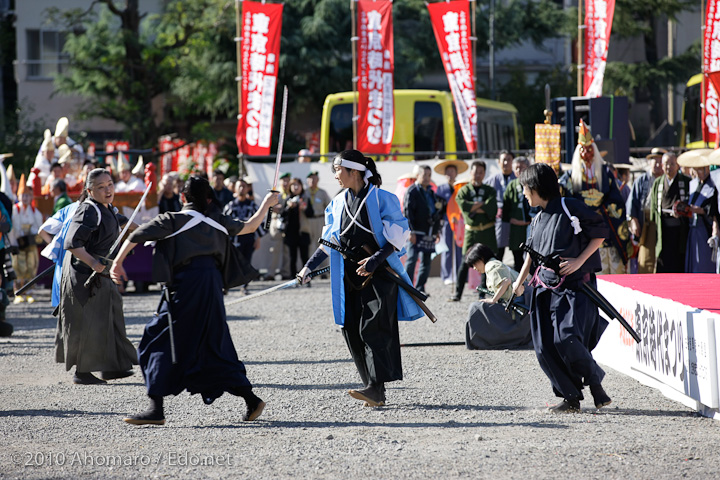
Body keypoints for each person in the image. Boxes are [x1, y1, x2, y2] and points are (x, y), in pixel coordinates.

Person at [110, 176, 279, 425]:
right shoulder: (218, 221)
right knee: (214, 342)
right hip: (212, 287)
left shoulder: (172, 219)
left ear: (182, 197)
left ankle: (156, 409)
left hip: (187, 286)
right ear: (208, 199)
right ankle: (250, 399)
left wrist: (117, 262)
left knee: (157, 338)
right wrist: (266, 204)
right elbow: (251, 226)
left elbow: (135, 235)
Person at [297, 149, 423, 407]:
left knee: (373, 327)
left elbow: (399, 234)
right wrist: (308, 267)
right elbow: (328, 241)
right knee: (351, 327)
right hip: (349, 277)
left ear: (354, 171)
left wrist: (376, 260)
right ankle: (372, 388)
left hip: (379, 275)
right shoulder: (337, 203)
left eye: (338, 170)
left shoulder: (381, 199)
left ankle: (375, 388)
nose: (335, 175)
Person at [511, 163, 611, 413]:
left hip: (573, 288)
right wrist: (519, 283)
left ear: (535, 188)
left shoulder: (570, 207)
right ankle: (571, 398)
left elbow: (600, 232)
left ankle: (594, 379)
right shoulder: (537, 219)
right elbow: (531, 257)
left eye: (525, 188)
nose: (523, 193)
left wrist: (580, 261)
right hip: (544, 288)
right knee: (544, 345)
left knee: (566, 338)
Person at [56, 168, 138, 385]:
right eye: (101, 187)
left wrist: (153, 231)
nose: (107, 190)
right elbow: (72, 243)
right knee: (90, 322)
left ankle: (112, 367)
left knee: (111, 315)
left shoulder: (108, 208)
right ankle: (82, 372)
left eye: (110, 184)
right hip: (84, 274)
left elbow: (125, 224)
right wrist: (93, 262)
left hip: (101, 273)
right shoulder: (88, 210)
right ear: (90, 191)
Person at [559, 119, 630, 274]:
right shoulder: (571, 176)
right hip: (583, 227)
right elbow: (565, 195)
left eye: (589, 149)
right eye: (582, 150)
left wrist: (601, 210)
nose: (586, 154)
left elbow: (615, 199)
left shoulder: (604, 172)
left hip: (605, 223)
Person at [464, 243, 532, 350]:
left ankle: (482, 339)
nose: (474, 268)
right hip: (516, 301)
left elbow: (506, 282)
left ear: (481, 258)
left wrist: (493, 300)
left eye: (474, 264)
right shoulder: (491, 265)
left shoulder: (492, 266)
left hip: (520, 304)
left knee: (476, 308)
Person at [449, 160, 497, 302]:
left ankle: (482, 293)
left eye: (481, 172)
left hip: (487, 231)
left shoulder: (490, 190)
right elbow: (463, 206)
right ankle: (458, 293)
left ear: (484, 174)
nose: (477, 175)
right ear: (471, 172)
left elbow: (492, 207)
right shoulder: (464, 190)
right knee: (465, 263)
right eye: (475, 172)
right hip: (471, 232)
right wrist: (481, 205)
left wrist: (473, 207)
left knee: (487, 262)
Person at [403, 164, 443, 296]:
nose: (427, 178)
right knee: (412, 259)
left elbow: (436, 212)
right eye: (424, 175)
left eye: (429, 175)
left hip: (429, 231)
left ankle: (420, 288)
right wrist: (411, 231)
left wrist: (437, 230)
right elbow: (408, 212)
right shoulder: (412, 190)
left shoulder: (431, 192)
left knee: (426, 261)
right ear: (417, 175)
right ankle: (407, 287)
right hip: (416, 231)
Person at [649, 152, 691, 273]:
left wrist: (682, 212)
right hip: (663, 229)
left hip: (680, 230)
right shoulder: (658, 183)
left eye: (672, 164)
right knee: (663, 264)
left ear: (677, 166)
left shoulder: (686, 181)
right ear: (662, 166)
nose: (669, 167)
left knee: (680, 263)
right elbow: (654, 209)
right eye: (666, 164)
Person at [626, 148, 665, 273]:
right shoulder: (641, 180)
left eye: (660, 161)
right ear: (649, 162)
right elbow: (633, 202)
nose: (658, 164)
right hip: (646, 223)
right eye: (655, 161)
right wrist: (633, 221)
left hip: (663, 222)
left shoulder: (666, 179)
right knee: (645, 256)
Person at [679, 154, 719, 273]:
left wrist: (700, 210)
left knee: (704, 262)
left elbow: (713, 208)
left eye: (700, 169)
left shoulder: (714, 184)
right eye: (696, 169)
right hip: (693, 228)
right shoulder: (694, 184)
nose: (697, 172)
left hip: (705, 229)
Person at [224, 178, 265, 294]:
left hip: (249, 238)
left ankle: (244, 286)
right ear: (235, 189)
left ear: (248, 189)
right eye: (239, 186)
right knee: (232, 262)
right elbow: (224, 223)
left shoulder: (252, 205)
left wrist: (258, 238)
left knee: (246, 262)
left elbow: (260, 222)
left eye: (244, 186)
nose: (242, 189)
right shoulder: (230, 206)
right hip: (234, 239)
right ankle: (226, 285)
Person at [9, 177, 43, 304]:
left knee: (31, 266)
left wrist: (32, 233)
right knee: (18, 266)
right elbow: (14, 228)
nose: (25, 198)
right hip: (18, 243)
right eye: (23, 195)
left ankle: (29, 291)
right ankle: (18, 291)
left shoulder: (35, 212)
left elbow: (38, 227)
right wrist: (15, 242)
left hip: (31, 244)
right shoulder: (15, 210)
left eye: (27, 196)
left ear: (31, 197)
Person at [434, 159, 467, 285]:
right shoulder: (441, 189)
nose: (450, 174)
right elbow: (438, 207)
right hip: (446, 221)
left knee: (460, 248)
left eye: (452, 171)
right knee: (447, 249)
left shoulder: (461, 186)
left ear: (456, 173)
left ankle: (459, 274)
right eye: (447, 171)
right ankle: (447, 275)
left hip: (460, 222)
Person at [502, 156, 532, 270]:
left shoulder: (533, 183)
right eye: (516, 168)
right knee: (518, 259)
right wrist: (510, 219)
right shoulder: (511, 185)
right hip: (515, 228)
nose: (519, 170)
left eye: (522, 167)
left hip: (530, 225)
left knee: (532, 257)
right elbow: (506, 207)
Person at [485, 150, 515, 262]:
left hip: (515, 220)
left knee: (518, 254)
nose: (506, 162)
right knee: (498, 254)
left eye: (509, 160)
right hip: (499, 221)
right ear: (499, 162)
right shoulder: (492, 180)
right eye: (504, 160)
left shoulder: (518, 180)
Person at [282, 177, 311, 277]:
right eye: (293, 185)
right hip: (291, 232)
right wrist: (288, 207)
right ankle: (293, 277)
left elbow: (311, 214)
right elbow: (282, 214)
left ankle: (306, 277)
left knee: (305, 256)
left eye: (298, 185)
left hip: (303, 231)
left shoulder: (306, 198)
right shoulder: (287, 199)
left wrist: (304, 208)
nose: (295, 187)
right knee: (292, 257)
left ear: (301, 187)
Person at [266, 172, 292, 280]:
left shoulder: (292, 194)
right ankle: (271, 272)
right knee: (274, 249)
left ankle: (286, 272)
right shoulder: (276, 194)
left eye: (287, 181)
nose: (286, 183)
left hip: (287, 224)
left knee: (287, 250)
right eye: (284, 181)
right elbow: (267, 207)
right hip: (276, 222)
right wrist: (273, 208)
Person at [302, 170, 331, 259]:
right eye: (310, 179)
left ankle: (323, 269)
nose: (312, 181)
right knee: (309, 245)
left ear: (318, 180)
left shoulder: (322, 193)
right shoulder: (304, 193)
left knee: (322, 244)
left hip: (319, 220)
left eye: (314, 178)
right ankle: (312, 269)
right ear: (307, 181)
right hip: (307, 221)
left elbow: (329, 207)